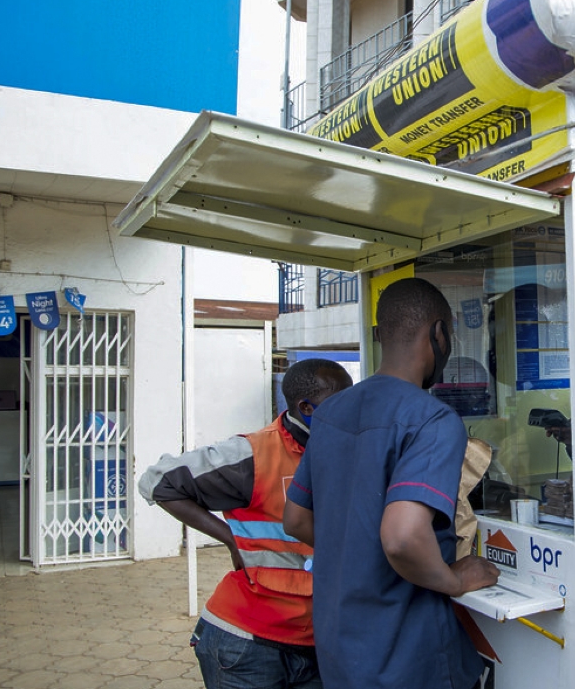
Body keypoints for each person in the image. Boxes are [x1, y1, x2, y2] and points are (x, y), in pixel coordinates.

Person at [283, 277, 500, 689]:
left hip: (340, 649)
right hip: (407, 658)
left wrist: (361, 553)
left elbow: (295, 519)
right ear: (439, 334)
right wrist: (455, 579)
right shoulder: (434, 421)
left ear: (381, 334)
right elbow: (401, 538)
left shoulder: (330, 413)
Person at [138, 358, 353, 689]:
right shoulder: (252, 455)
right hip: (245, 646)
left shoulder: (348, 452)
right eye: (342, 400)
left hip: (316, 645)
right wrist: (228, 537)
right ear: (306, 407)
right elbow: (158, 482)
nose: (353, 408)